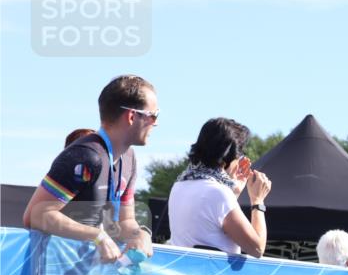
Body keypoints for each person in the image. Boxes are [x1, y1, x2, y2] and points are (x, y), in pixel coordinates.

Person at [23, 75, 157, 263]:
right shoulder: (86, 156)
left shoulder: (130, 158)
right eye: (153, 115)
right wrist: (96, 236)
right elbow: (35, 215)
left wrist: (139, 234)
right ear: (132, 116)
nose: (155, 123)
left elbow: (125, 221)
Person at [168, 118, 272, 257]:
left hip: (183, 273)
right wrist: (258, 201)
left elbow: (210, 223)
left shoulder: (180, 185)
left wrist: (233, 192)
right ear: (229, 155)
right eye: (240, 153)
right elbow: (257, 249)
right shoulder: (218, 193)